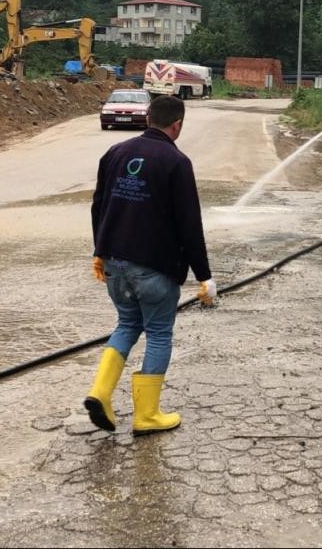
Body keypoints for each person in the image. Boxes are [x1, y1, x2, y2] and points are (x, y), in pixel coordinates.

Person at [84, 95, 217, 436]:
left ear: (147, 118)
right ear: (178, 125)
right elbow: (189, 224)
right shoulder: (176, 161)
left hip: (114, 260)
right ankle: (147, 415)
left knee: (127, 323)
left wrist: (100, 251)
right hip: (154, 267)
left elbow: (99, 206)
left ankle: (100, 392)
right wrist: (204, 276)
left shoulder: (115, 153)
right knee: (158, 333)